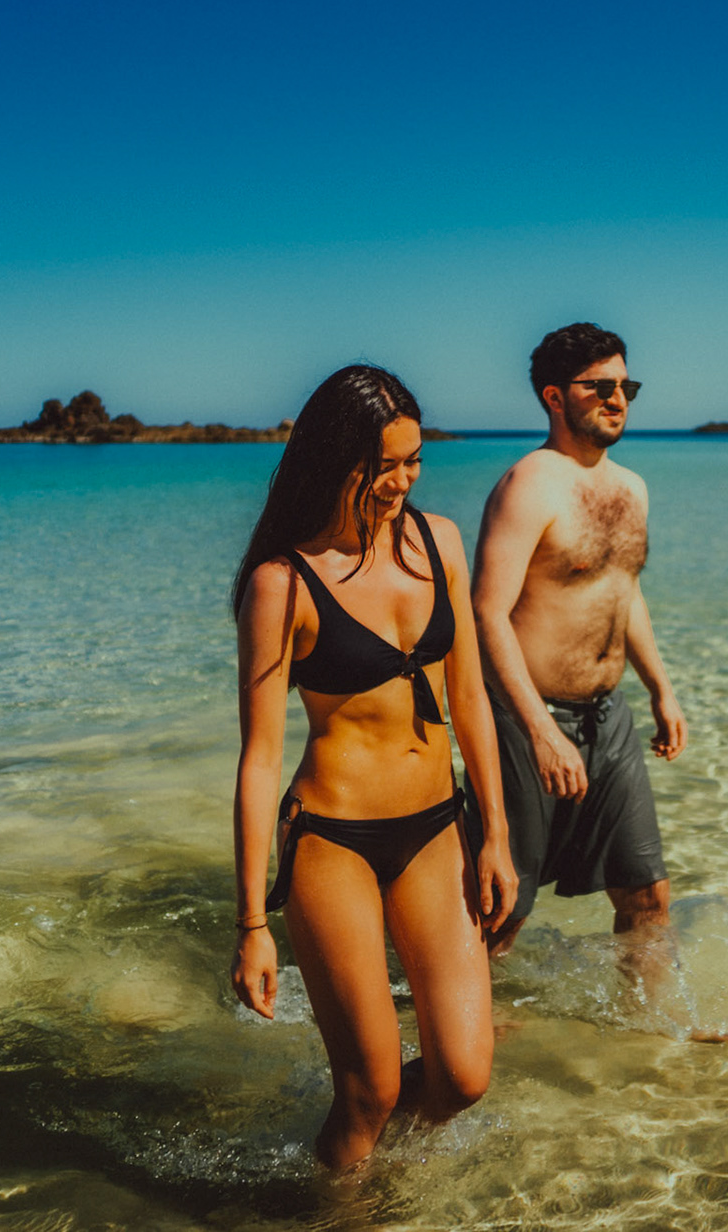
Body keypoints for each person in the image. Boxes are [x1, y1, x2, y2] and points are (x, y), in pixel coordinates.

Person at [229, 364, 518, 1170]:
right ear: (334, 462)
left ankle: (357, 1166)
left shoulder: (440, 544)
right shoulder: (281, 585)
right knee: (371, 1092)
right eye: (380, 467)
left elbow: (470, 703)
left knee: (463, 1077)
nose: (401, 482)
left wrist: (494, 834)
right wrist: (253, 922)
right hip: (333, 842)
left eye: (413, 461)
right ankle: (339, 1204)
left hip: (435, 830)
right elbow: (259, 759)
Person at [469, 322, 693, 990]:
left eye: (626, 386)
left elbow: (624, 593)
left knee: (647, 894)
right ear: (553, 396)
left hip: (609, 717)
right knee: (502, 905)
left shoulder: (633, 487)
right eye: (600, 387)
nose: (618, 399)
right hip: (528, 721)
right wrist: (538, 729)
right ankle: (464, 1035)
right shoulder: (528, 485)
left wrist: (661, 688)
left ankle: (650, 1029)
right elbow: (485, 612)